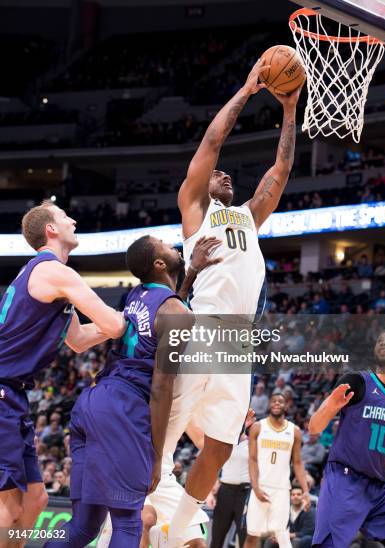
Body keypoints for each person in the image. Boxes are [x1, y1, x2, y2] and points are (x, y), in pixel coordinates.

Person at [152, 58, 304, 548]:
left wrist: (289, 109)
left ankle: (178, 532)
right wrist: (246, 90)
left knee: (219, 447)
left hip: (237, 342)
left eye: (226, 176)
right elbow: (211, 143)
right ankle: (133, 513)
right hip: (203, 328)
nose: (225, 176)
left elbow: (279, 173)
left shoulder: (247, 216)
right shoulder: (196, 210)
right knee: (163, 439)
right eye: (217, 176)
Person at [0, 201, 125, 544]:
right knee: (7, 509)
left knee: (36, 499)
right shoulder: (54, 271)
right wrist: (136, 316)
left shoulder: (47, 277)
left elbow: (81, 340)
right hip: (1, 391)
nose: (73, 219)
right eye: (64, 217)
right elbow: (113, 325)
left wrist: (121, 322)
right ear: (51, 229)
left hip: (13, 393)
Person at [95, 237, 222, 548]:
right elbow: (162, 387)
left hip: (131, 420)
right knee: (139, 524)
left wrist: (191, 273)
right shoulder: (174, 311)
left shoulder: (140, 295)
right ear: (159, 264)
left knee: (191, 538)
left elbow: (169, 312)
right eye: (164, 245)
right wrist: (153, 457)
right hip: (140, 433)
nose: (173, 244)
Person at [310, 329, 385, 547]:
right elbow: (314, 427)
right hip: (345, 479)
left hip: (378, 489)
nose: (383, 343)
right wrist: (330, 408)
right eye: (380, 340)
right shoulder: (356, 381)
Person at [244, 393, 310, 548]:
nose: (277, 403)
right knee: (252, 535)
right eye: (273, 401)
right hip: (261, 486)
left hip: (281, 489)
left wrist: (306, 490)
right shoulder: (257, 427)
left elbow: (298, 463)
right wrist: (256, 487)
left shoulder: (294, 431)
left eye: (280, 401)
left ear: (286, 405)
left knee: (282, 534)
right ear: (269, 405)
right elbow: (252, 460)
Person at [210, 410, 256, 548]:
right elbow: (213, 466)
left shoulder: (252, 444)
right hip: (225, 491)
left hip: (245, 493)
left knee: (244, 538)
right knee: (217, 536)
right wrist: (211, 492)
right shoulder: (225, 443)